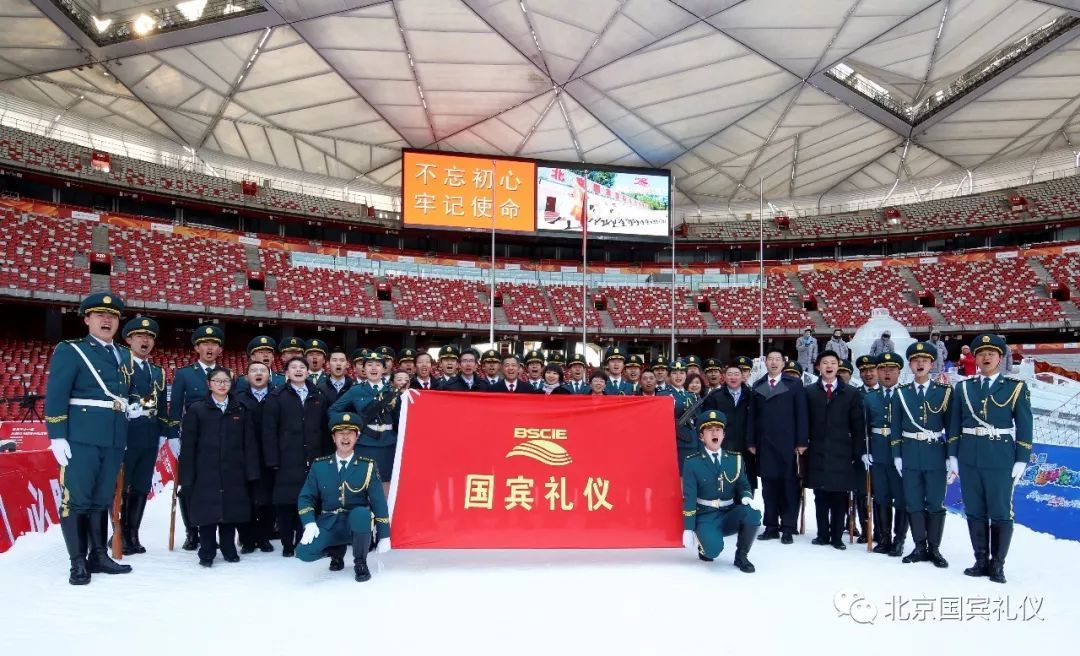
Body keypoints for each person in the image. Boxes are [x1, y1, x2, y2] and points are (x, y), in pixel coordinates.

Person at [45, 292, 135, 585]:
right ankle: (77, 562)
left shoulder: (122, 354)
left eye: (112, 317)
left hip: (113, 436)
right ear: (87, 319)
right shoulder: (71, 350)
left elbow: (123, 391)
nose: (107, 320)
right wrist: (57, 435)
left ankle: (98, 555)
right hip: (81, 436)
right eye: (100, 315)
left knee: (101, 498)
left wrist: (130, 407)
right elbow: (57, 394)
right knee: (77, 499)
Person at [949, 334, 1032, 584]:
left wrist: (1022, 458)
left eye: (991, 353)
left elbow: (1025, 425)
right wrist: (953, 455)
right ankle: (980, 560)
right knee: (974, 510)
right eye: (981, 353)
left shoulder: (1015, 388)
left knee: (1000, 511)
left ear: (1000, 357)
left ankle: (998, 564)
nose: (986, 357)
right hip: (969, 457)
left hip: (1000, 457)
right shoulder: (963, 387)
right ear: (975, 358)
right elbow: (954, 424)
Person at [179, 367, 260, 567]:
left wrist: (251, 472)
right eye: (217, 381)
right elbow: (188, 447)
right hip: (205, 470)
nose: (222, 385)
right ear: (209, 384)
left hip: (234, 469)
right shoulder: (197, 409)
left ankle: (228, 548)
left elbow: (249, 443)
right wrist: (187, 477)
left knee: (230, 510)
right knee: (207, 512)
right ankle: (207, 550)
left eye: (225, 381)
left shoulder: (240, 408)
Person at [296, 412, 391, 582]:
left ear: (357, 437)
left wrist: (384, 534)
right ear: (333, 437)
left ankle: (360, 562)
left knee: (362, 513)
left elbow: (378, 502)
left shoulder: (367, 465)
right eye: (340, 433)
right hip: (329, 523)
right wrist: (309, 523)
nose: (345, 437)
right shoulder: (320, 466)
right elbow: (306, 497)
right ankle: (335, 551)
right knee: (304, 553)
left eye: (350, 433)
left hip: (355, 524)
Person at [892, 341, 953, 568]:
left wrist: (950, 456)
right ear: (910, 364)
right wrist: (897, 454)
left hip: (936, 453)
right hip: (910, 453)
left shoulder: (945, 392)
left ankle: (934, 548)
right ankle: (919, 546)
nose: (920, 364)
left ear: (932, 364)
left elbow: (951, 427)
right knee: (914, 501)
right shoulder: (902, 393)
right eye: (916, 361)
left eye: (925, 361)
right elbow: (896, 426)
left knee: (935, 502)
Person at [263, 356, 329, 557]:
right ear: (286, 372)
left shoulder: (318, 395)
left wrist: (325, 458)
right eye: (294, 367)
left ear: (308, 372)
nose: (299, 370)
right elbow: (269, 431)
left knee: (309, 502)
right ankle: (286, 544)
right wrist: (272, 460)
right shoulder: (276, 396)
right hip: (286, 459)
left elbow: (324, 430)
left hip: (313, 458)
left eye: (302, 367)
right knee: (286, 503)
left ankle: (304, 541)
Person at [167, 324, 225, 551]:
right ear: (197, 348)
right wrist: (173, 435)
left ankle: (213, 531)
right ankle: (192, 532)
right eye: (205, 344)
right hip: (192, 438)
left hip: (219, 439)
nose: (209, 348)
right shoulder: (184, 374)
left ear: (219, 349)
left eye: (214, 344)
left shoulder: (225, 375)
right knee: (188, 486)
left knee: (216, 485)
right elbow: (175, 408)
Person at [681, 410, 760, 573]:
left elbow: (744, 485)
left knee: (753, 514)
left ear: (723, 435)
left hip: (728, 512)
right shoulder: (692, 463)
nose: (714, 433)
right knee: (712, 552)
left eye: (718, 430)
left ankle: (741, 556)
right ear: (702, 437)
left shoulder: (735, 459)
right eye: (710, 430)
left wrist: (746, 496)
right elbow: (689, 498)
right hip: (706, 515)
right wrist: (688, 528)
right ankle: (705, 545)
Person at [805, 351, 865, 550]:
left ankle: (837, 536)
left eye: (833, 363)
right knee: (820, 495)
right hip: (817, 450)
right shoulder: (810, 392)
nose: (829, 366)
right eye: (825, 363)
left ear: (838, 366)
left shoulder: (851, 393)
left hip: (842, 452)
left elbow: (858, 427)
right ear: (818, 367)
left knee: (840, 496)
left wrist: (858, 453)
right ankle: (822, 534)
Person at [118, 316, 168, 556]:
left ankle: (133, 534)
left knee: (140, 487)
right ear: (129, 340)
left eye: (149, 338)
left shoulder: (158, 372)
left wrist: (164, 433)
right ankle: (119, 534)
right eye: (140, 336)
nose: (145, 341)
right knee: (123, 487)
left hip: (149, 437)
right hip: (126, 436)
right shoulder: (120, 366)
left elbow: (161, 407)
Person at [749, 349, 808, 544]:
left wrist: (801, 441)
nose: (774, 363)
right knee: (769, 488)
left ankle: (788, 527)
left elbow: (801, 414)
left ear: (784, 362)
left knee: (789, 487)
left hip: (788, 444)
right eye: (770, 359)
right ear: (765, 362)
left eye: (778, 359)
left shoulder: (794, 384)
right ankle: (771, 526)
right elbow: (753, 417)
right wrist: (751, 441)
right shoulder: (758, 385)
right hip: (765, 444)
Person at [330, 352, 401, 490]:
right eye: (369, 365)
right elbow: (333, 410)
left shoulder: (393, 391)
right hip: (365, 443)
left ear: (384, 369)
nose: (373, 368)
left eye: (378, 365)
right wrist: (346, 427)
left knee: (386, 486)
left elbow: (401, 418)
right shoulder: (356, 391)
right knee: (362, 484)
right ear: (364, 369)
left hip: (388, 444)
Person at [867, 352, 907, 556]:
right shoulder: (870, 397)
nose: (887, 373)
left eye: (891, 369)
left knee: (901, 498)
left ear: (899, 371)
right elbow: (863, 428)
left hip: (901, 454)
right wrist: (864, 451)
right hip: (878, 452)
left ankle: (899, 540)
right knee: (881, 497)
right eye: (883, 369)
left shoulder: (906, 395)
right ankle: (883, 538)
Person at [235, 361, 276, 554]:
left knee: (267, 499)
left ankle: (264, 536)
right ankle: (247, 538)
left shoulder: (277, 396)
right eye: (254, 371)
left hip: (271, 455)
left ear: (269, 375)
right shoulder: (237, 398)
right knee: (246, 499)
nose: (258, 374)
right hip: (245, 455)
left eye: (263, 371)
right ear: (246, 376)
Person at [702, 363, 756, 494]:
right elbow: (707, 423)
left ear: (742, 377)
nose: (733, 377)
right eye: (729, 374)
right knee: (723, 488)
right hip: (722, 448)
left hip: (746, 448)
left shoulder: (752, 395)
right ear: (724, 377)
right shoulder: (715, 396)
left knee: (745, 489)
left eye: (736, 374)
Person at [660, 360, 698, 473]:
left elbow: (698, 421)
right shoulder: (663, 395)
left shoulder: (692, 396)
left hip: (691, 442)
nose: (678, 376)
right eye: (674, 373)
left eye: (681, 373)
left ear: (686, 375)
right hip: (672, 443)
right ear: (668, 376)